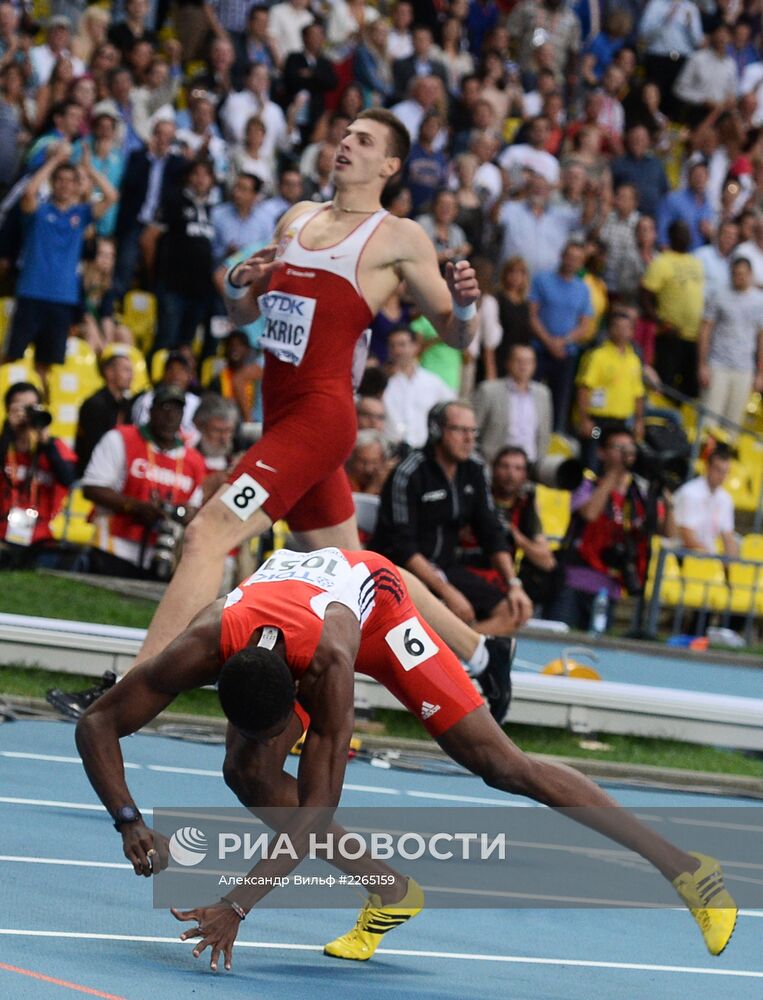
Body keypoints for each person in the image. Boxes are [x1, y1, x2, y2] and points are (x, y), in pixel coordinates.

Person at [73, 544, 737, 969]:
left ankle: (686, 868)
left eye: (286, 724)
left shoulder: (328, 666)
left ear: (298, 694)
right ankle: (390, 888)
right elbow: (98, 723)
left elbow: (315, 810)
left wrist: (238, 904)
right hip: (288, 613)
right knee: (243, 769)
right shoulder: (200, 645)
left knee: (499, 764)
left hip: (375, 609)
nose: (287, 735)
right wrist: (128, 818)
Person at [132, 107, 482, 666]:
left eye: (363, 140)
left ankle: (129, 685)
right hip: (282, 414)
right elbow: (248, 313)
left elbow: (457, 335)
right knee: (359, 570)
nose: (345, 143)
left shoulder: (398, 236)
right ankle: (482, 654)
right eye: (343, 134)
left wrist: (465, 303)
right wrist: (237, 284)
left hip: (320, 419)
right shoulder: (296, 218)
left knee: (206, 535)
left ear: (389, 164)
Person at [371, 401, 533, 642]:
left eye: (473, 431)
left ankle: (450, 652)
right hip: (402, 571)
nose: (469, 439)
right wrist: (447, 591)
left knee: (515, 610)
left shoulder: (474, 469)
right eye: (460, 430)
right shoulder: (409, 472)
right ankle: (453, 650)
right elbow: (402, 547)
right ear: (437, 431)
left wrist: (514, 585)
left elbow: (491, 532)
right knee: (449, 610)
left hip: (446, 566)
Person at [3, 144, 117, 387]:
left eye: (70, 181)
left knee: (47, 363)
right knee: (12, 356)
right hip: (31, 292)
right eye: (60, 180)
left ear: (77, 186)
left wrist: (89, 169)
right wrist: (54, 162)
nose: (65, 185)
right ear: (53, 183)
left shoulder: (81, 214)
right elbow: (28, 194)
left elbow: (111, 196)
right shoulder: (39, 211)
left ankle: (41, 407)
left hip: (63, 298)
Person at [550, 425, 671, 630]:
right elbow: (589, 513)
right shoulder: (585, 483)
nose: (625, 453)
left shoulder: (638, 495)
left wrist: (670, 503)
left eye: (629, 448)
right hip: (572, 583)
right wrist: (613, 475)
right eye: (618, 447)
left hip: (609, 589)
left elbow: (666, 531)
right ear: (602, 452)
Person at [81, 384, 207, 575]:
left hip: (163, 555)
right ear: (151, 410)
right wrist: (137, 507)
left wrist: (183, 514)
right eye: (164, 408)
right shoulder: (121, 438)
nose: (170, 416)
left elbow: (194, 509)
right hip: (113, 548)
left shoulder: (194, 460)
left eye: (177, 410)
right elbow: (92, 487)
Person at [0, 381, 76, 566]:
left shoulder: (54, 446)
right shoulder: (3, 444)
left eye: (32, 407)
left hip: (41, 537)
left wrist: (46, 442)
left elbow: (69, 480)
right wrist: (8, 432)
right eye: (21, 408)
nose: (27, 414)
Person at [640, 220, 705, 398]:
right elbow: (645, 298)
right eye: (681, 232)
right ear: (671, 236)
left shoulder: (696, 262)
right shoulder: (661, 262)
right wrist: (661, 322)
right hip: (670, 335)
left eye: (687, 232)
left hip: (694, 336)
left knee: (690, 389)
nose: (685, 236)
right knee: (665, 384)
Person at [697, 257, 763, 432]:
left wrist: (760, 372)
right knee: (709, 419)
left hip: (744, 367)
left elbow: (761, 338)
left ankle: (724, 458)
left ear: (750, 274)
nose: (738, 278)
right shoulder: (719, 295)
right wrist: (702, 364)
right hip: (718, 364)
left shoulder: (759, 300)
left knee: (733, 424)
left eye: (741, 274)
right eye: (734, 274)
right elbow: (705, 330)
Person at [490, 446, 558, 614]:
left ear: (526, 475)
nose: (510, 474)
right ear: (493, 470)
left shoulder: (527, 505)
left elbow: (547, 561)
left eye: (518, 468)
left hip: (510, 584)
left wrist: (514, 535)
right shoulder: (481, 497)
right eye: (505, 466)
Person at [576, 309, 645, 469]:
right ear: (609, 329)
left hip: (621, 424)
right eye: (617, 327)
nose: (622, 331)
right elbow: (584, 388)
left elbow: (639, 394)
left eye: (626, 327)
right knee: (592, 456)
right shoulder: (598, 356)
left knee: (618, 463)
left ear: (632, 332)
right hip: (598, 423)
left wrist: (639, 421)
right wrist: (585, 419)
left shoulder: (634, 359)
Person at [473, 343, 552, 468]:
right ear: (508, 363)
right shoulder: (488, 390)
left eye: (528, 361)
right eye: (519, 361)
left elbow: (544, 434)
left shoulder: (543, 394)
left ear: (534, 365)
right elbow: (473, 430)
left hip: (530, 466)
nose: (523, 366)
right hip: (494, 465)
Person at [383, 326, 455, 448]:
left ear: (415, 347)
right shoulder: (383, 382)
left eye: (402, 345)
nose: (397, 350)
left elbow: (453, 407)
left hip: (425, 452)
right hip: (391, 450)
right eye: (392, 346)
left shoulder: (432, 381)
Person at [75, 353, 134, 477]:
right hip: (93, 472)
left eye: (131, 371)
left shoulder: (127, 405)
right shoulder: (94, 404)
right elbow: (93, 445)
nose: (131, 376)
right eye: (126, 370)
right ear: (109, 373)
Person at [673, 442, 737, 557]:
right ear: (707, 467)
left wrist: (732, 564)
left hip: (706, 558)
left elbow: (728, 537)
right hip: (682, 555)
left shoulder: (726, 499)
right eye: (718, 470)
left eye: (725, 472)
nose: (722, 476)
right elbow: (687, 536)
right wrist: (713, 561)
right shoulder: (689, 493)